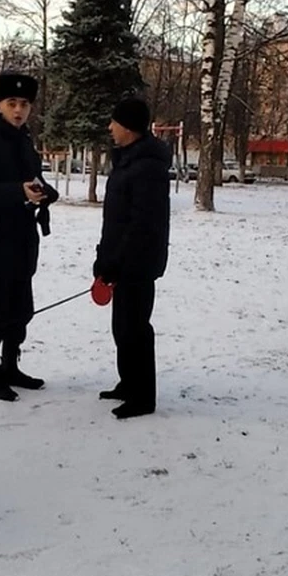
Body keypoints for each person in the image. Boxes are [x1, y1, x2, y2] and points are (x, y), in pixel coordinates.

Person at [0, 71, 59, 402]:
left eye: (24, 104)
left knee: (21, 309)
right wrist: (17, 191)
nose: (19, 110)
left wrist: (44, 192)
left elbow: (31, 176)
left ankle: (10, 365)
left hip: (21, 238)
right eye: (12, 103)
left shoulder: (23, 138)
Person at [93, 97, 171, 419]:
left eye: (114, 122)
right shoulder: (128, 161)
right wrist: (104, 257)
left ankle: (143, 396)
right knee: (121, 327)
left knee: (136, 329)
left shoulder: (147, 168)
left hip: (138, 264)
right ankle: (128, 383)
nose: (110, 128)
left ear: (129, 127)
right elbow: (115, 220)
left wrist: (117, 260)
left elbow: (141, 225)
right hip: (122, 261)